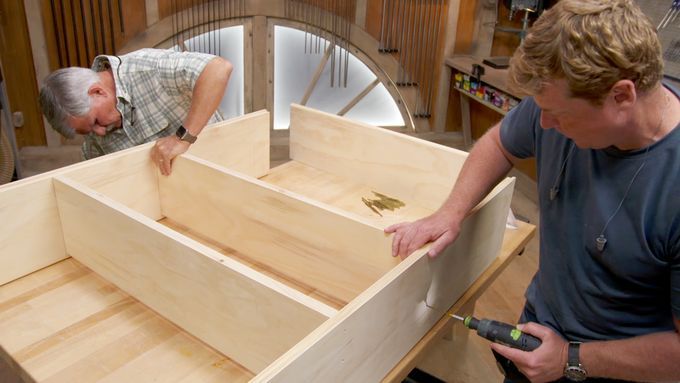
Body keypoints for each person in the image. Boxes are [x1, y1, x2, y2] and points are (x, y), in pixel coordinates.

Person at [385, 0, 680, 382]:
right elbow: (499, 143)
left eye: (558, 114)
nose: (542, 124)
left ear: (621, 96)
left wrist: (571, 359)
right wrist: (450, 213)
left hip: (618, 369)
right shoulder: (559, 102)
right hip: (541, 339)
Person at [39, 48, 233, 175]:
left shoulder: (146, 68)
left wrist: (182, 138)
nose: (99, 133)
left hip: (221, 166)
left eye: (96, 122)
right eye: (89, 132)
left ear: (97, 91)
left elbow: (218, 69)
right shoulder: (93, 142)